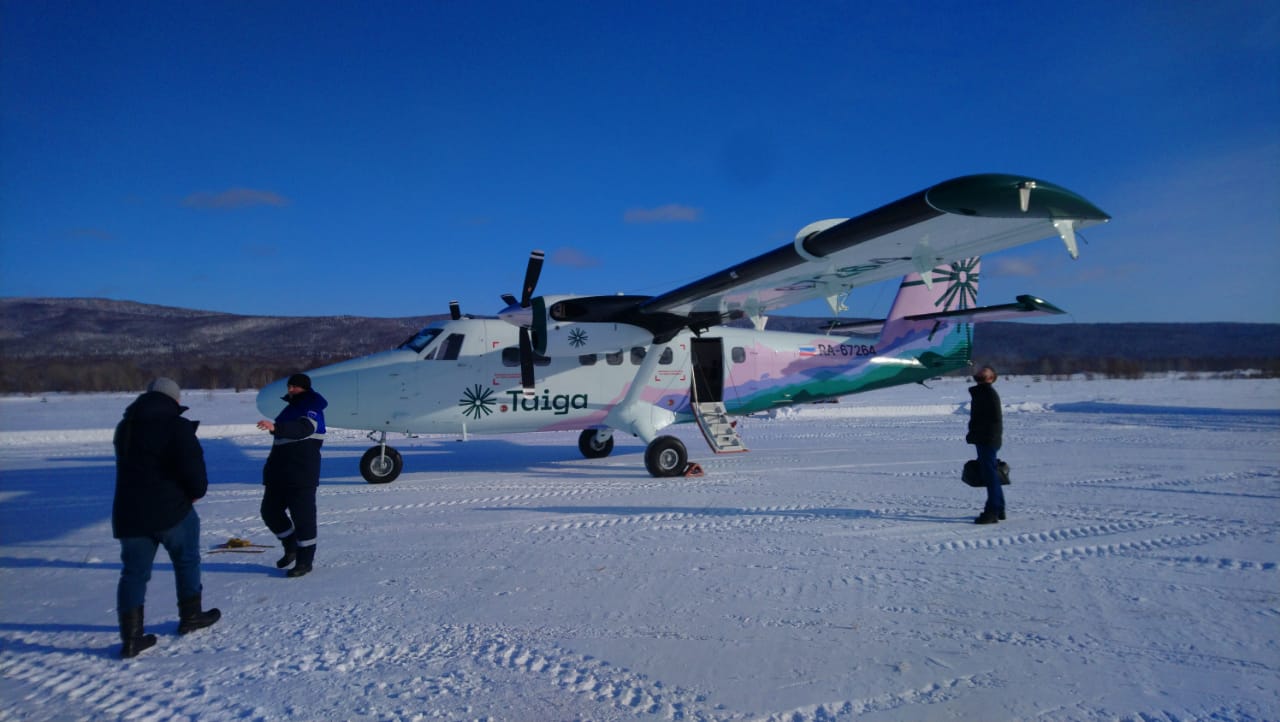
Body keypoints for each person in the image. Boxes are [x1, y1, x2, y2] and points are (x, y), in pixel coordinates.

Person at [112, 377, 221, 659]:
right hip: (171, 510)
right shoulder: (177, 427)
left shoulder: (125, 427)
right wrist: (196, 492)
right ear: (175, 400)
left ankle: (131, 638)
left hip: (130, 512)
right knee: (186, 561)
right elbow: (193, 469)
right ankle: (191, 615)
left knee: (133, 574)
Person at [257, 373, 327, 578]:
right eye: (289, 386)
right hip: (279, 473)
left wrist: (276, 427)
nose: (290, 390)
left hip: (301, 472)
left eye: (294, 387)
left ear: (304, 388)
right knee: (269, 511)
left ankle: (305, 561)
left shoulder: (312, 406)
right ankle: (291, 546)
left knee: (303, 517)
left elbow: (304, 428)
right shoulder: (290, 409)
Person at [966, 366, 1005, 524]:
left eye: (985, 371)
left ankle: (993, 511)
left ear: (991, 378)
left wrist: (981, 435)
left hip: (988, 439)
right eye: (980, 370)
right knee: (991, 473)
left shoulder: (988, 393)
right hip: (985, 438)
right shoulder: (981, 392)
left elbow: (994, 419)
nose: (980, 372)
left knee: (990, 476)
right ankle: (999, 508)